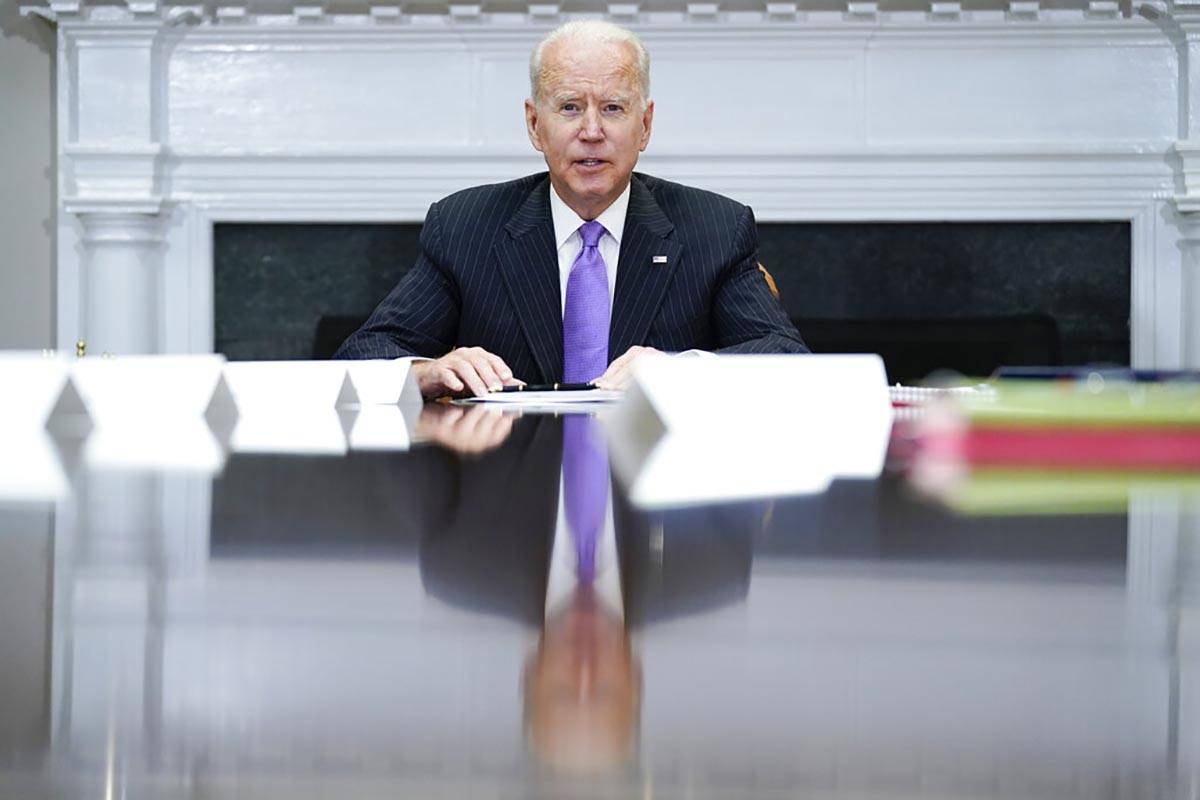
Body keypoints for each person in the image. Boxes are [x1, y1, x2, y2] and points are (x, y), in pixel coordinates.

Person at [334, 20, 807, 397]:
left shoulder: (714, 229)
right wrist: (428, 370)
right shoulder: (465, 227)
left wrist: (678, 371)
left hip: (656, 498)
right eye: (569, 107)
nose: (592, 131)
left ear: (645, 126)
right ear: (534, 124)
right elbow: (363, 356)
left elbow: (788, 360)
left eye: (614, 109)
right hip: (507, 491)